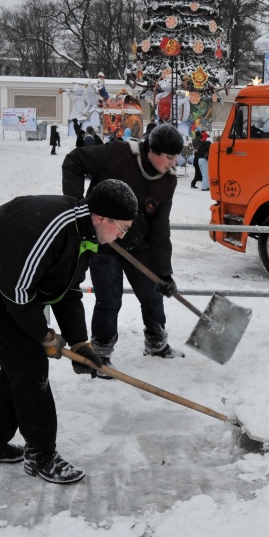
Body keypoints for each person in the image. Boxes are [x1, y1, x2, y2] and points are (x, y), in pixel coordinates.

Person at [0, 179, 139, 484]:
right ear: (102, 217)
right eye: (122, 228)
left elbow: (67, 290)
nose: (121, 236)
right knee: (29, 363)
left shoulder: (86, 233)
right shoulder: (56, 226)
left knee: (18, 364)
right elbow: (17, 291)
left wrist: (79, 343)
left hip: (11, 287)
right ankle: (41, 455)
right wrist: (44, 335)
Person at [61, 123, 185, 365]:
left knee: (153, 296)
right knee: (109, 300)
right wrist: (76, 206)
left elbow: (161, 226)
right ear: (152, 150)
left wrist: (164, 272)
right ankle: (101, 351)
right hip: (105, 245)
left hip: (140, 247)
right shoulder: (116, 153)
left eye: (176, 157)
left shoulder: (167, 181)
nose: (174, 163)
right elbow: (74, 162)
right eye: (169, 157)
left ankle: (156, 342)